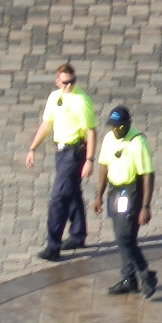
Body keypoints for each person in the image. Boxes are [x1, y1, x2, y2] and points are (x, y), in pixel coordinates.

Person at [26, 62, 96, 260]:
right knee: (71, 191)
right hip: (61, 151)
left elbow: (91, 132)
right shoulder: (54, 97)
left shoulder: (81, 101)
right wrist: (32, 148)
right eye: (65, 83)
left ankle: (53, 245)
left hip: (75, 152)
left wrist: (90, 160)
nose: (69, 86)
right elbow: (46, 125)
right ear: (57, 82)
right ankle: (78, 234)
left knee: (58, 197)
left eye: (72, 82)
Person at [92, 105, 157, 298]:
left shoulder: (138, 143)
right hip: (115, 192)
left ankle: (146, 274)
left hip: (131, 193)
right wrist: (99, 195)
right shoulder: (109, 139)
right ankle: (130, 279)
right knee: (122, 237)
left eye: (119, 127)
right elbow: (104, 166)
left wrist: (146, 206)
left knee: (124, 237)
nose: (115, 130)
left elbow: (148, 175)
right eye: (113, 126)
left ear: (128, 124)